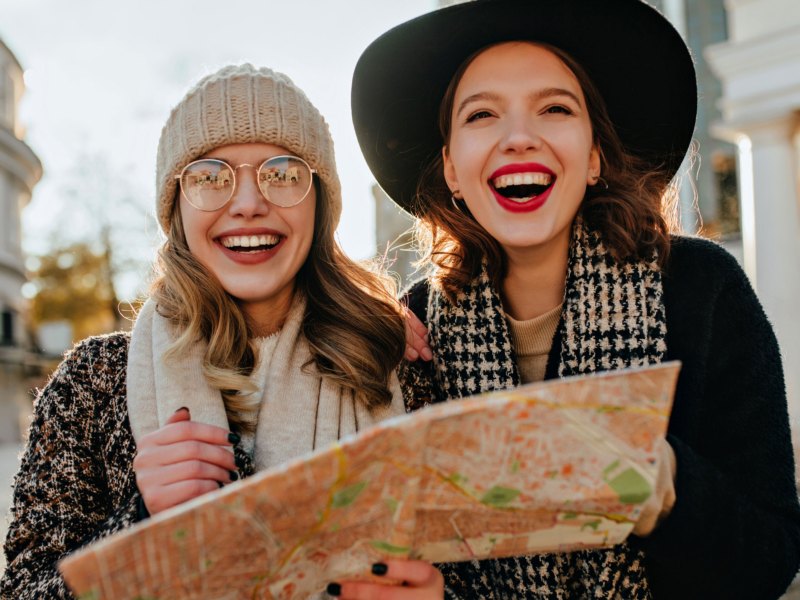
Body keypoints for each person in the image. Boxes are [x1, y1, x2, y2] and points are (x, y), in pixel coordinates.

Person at [350, 0, 800, 598]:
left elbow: (769, 559)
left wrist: (657, 482)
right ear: (452, 169)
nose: (518, 137)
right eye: (481, 115)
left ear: (593, 157)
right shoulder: (415, 328)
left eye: (555, 108)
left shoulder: (700, 288)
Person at [1, 64, 441, 599]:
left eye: (283, 173)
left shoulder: (391, 361)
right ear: (177, 209)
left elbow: (484, 567)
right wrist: (140, 523)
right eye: (210, 176)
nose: (249, 201)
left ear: (319, 203)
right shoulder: (91, 384)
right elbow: (24, 589)